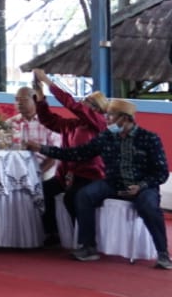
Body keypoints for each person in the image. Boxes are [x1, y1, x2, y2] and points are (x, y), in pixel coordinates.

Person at [28, 98, 170, 268]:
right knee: (84, 195)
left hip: (143, 186)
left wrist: (141, 186)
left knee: (149, 205)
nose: (106, 118)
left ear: (124, 118)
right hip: (113, 184)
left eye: (111, 115)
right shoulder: (107, 136)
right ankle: (88, 247)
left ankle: (163, 254)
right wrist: (42, 148)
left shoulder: (149, 138)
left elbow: (161, 172)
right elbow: (78, 153)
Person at [32, 70, 106, 232]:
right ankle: (52, 233)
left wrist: (48, 82)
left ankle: (81, 236)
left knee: (71, 197)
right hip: (66, 174)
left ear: (96, 109)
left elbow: (72, 104)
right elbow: (47, 119)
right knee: (44, 190)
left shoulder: (99, 123)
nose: (81, 103)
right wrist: (40, 95)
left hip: (89, 176)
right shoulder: (72, 125)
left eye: (86, 101)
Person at [8, 85, 63, 246]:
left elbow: (55, 154)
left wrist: (37, 173)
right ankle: (13, 230)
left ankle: (50, 231)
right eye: (16, 100)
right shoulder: (12, 123)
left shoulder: (49, 123)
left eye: (23, 100)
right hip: (16, 168)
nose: (19, 103)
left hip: (44, 167)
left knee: (47, 185)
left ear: (35, 101)